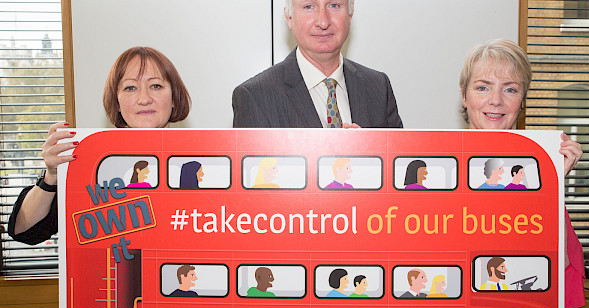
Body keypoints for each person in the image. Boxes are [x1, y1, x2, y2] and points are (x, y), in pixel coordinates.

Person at [8, 46, 191, 245]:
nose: (144, 99)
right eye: (130, 88)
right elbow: (24, 231)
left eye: (156, 86)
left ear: (174, 97)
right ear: (117, 102)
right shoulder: (90, 163)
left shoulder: (200, 163)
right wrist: (52, 177)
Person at [460, 39, 584, 308]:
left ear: (522, 100)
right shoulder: (434, 165)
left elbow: (558, 270)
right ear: (464, 95)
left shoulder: (537, 171)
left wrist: (552, 187)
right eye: (483, 87)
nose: (496, 101)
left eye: (510, 90)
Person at [232, 0, 403, 129]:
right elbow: (257, 175)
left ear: (350, 15)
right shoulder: (255, 97)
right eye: (309, 6)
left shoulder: (378, 87)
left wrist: (368, 154)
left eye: (334, 5)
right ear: (289, 17)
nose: (323, 22)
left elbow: (399, 169)